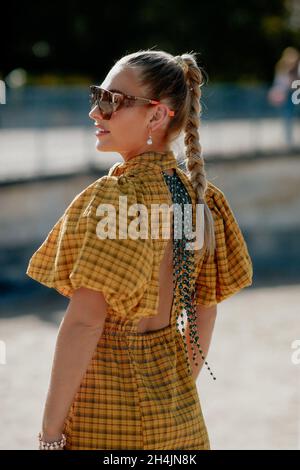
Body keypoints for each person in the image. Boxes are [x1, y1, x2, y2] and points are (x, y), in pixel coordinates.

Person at [26, 49, 253, 450]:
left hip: (106, 420)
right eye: (97, 96)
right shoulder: (199, 199)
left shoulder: (119, 200)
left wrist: (49, 436)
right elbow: (206, 307)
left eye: (112, 101)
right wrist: (174, 387)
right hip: (180, 420)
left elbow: (84, 323)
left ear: (156, 115)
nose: (96, 112)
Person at [268, 46, 300, 148]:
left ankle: (288, 138)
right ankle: (288, 138)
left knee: (289, 116)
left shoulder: (297, 69)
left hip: (294, 93)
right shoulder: (282, 69)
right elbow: (280, 83)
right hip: (286, 95)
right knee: (287, 116)